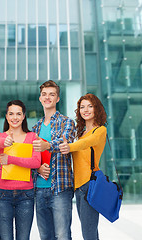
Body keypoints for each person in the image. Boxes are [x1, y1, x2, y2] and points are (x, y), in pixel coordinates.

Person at [59, 93, 107, 240]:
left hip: (89, 185)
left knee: (89, 232)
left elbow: (86, 143)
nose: (85, 110)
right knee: (88, 231)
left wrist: (70, 146)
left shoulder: (99, 130)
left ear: (96, 109)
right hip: (78, 187)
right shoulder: (80, 133)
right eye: (82, 107)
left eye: (90, 106)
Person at [32, 80, 76, 240]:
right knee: (45, 236)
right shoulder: (35, 128)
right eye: (44, 94)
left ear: (57, 99)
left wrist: (47, 145)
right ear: (40, 98)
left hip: (60, 189)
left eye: (52, 94)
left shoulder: (67, 122)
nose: (47, 97)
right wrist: (37, 169)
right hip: (39, 189)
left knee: (62, 235)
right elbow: (30, 157)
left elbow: (66, 141)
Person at [0, 100, 41, 240]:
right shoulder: (0, 136)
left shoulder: (33, 137)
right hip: (2, 194)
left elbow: (36, 162)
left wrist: (11, 159)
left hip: (26, 194)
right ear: (7, 116)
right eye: (11, 114)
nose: (15, 117)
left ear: (24, 116)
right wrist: (6, 142)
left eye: (18, 114)